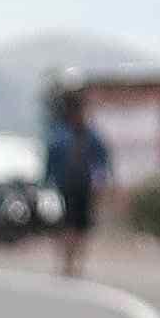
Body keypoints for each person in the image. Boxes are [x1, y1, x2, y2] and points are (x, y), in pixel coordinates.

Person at [37, 80, 115, 265]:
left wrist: (100, 179)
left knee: (82, 225)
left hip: (84, 186)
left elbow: (101, 160)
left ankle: (76, 260)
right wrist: (47, 184)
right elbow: (50, 162)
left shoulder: (91, 136)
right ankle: (66, 260)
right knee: (66, 223)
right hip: (65, 187)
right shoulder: (60, 136)